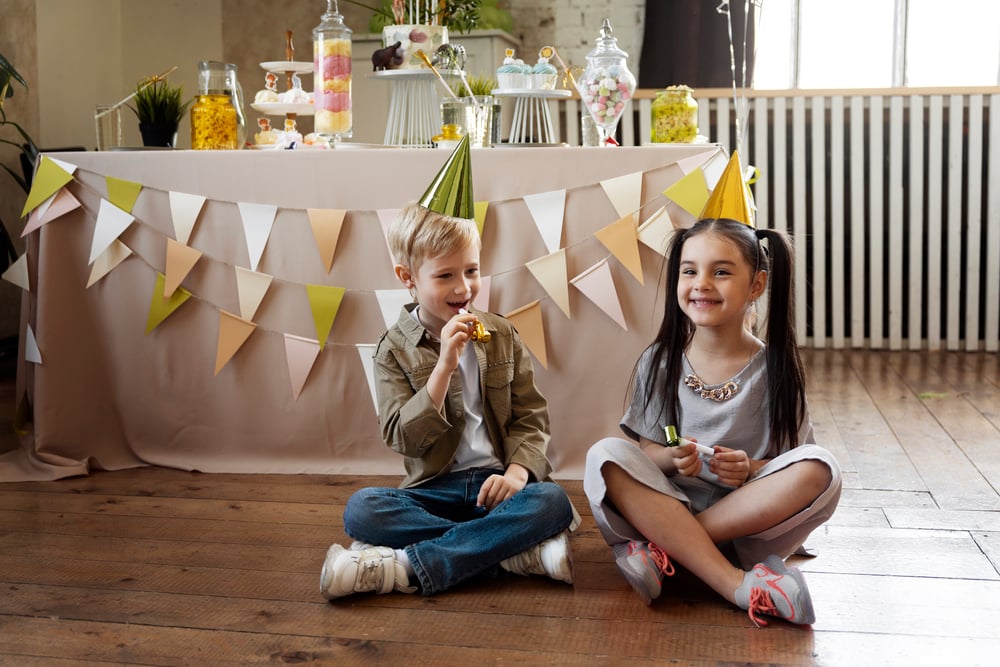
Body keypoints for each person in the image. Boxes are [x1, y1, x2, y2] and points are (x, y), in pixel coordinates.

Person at [583, 154, 841, 627]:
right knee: (605, 454)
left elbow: (789, 462)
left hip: (746, 525)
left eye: (721, 272)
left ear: (757, 284)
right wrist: (670, 456)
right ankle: (734, 583)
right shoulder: (660, 361)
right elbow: (646, 449)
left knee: (823, 467)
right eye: (689, 271)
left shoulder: (776, 368)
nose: (701, 284)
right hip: (669, 504)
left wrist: (748, 469)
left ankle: (671, 553)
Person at [321, 136, 577, 600]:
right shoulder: (392, 350)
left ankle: (404, 565)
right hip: (433, 490)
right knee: (363, 511)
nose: (464, 288)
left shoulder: (501, 333)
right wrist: (443, 368)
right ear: (408, 279)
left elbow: (531, 419)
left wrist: (518, 475)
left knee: (552, 501)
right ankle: (508, 552)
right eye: (445, 276)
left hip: (498, 485)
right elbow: (403, 437)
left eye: (472, 270)